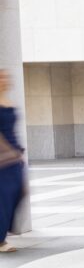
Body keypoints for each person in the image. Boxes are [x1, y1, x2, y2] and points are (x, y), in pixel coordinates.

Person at [0, 69, 25, 254]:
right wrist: (9, 151)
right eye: (1, 77)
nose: (5, 80)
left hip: (14, 153)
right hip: (3, 155)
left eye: (7, 77)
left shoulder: (8, 100)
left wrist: (18, 152)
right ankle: (1, 240)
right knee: (4, 196)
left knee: (18, 191)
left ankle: (5, 230)